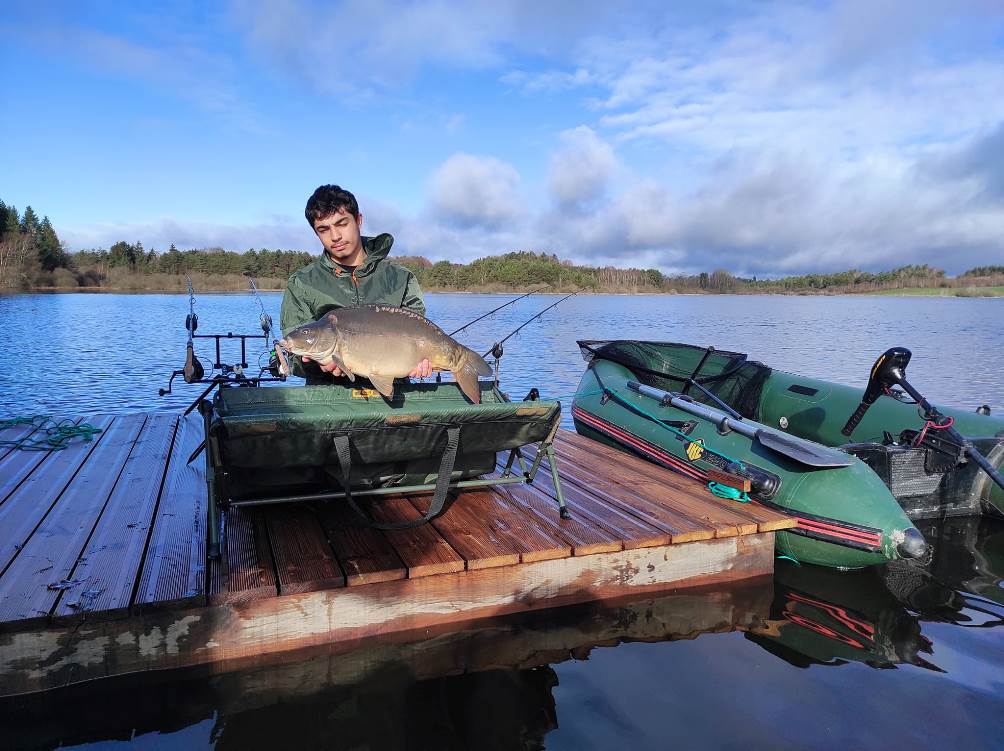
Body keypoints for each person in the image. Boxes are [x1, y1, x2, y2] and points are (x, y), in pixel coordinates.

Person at [280, 184, 432, 384]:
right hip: (330, 401)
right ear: (316, 233)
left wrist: (421, 362)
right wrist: (314, 364)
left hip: (395, 398)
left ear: (358, 220)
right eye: (324, 229)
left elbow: (419, 333)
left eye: (342, 223)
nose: (335, 236)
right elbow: (294, 357)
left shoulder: (400, 278)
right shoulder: (302, 283)